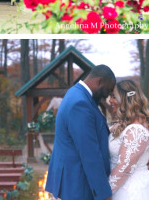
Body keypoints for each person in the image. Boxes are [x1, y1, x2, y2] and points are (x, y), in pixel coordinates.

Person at [45, 64, 117, 200]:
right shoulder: (80, 103)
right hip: (77, 185)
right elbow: (89, 153)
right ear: (99, 81)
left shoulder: (76, 93)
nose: (107, 95)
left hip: (73, 180)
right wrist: (104, 194)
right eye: (108, 90)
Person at [108, 80, 149, 200]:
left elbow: (123, 169)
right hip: (120, 185)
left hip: (130, 190)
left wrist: (104, 194)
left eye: (114, 97)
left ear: (124, 99)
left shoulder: (136, 131)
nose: (110, 101)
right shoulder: (124, 125)